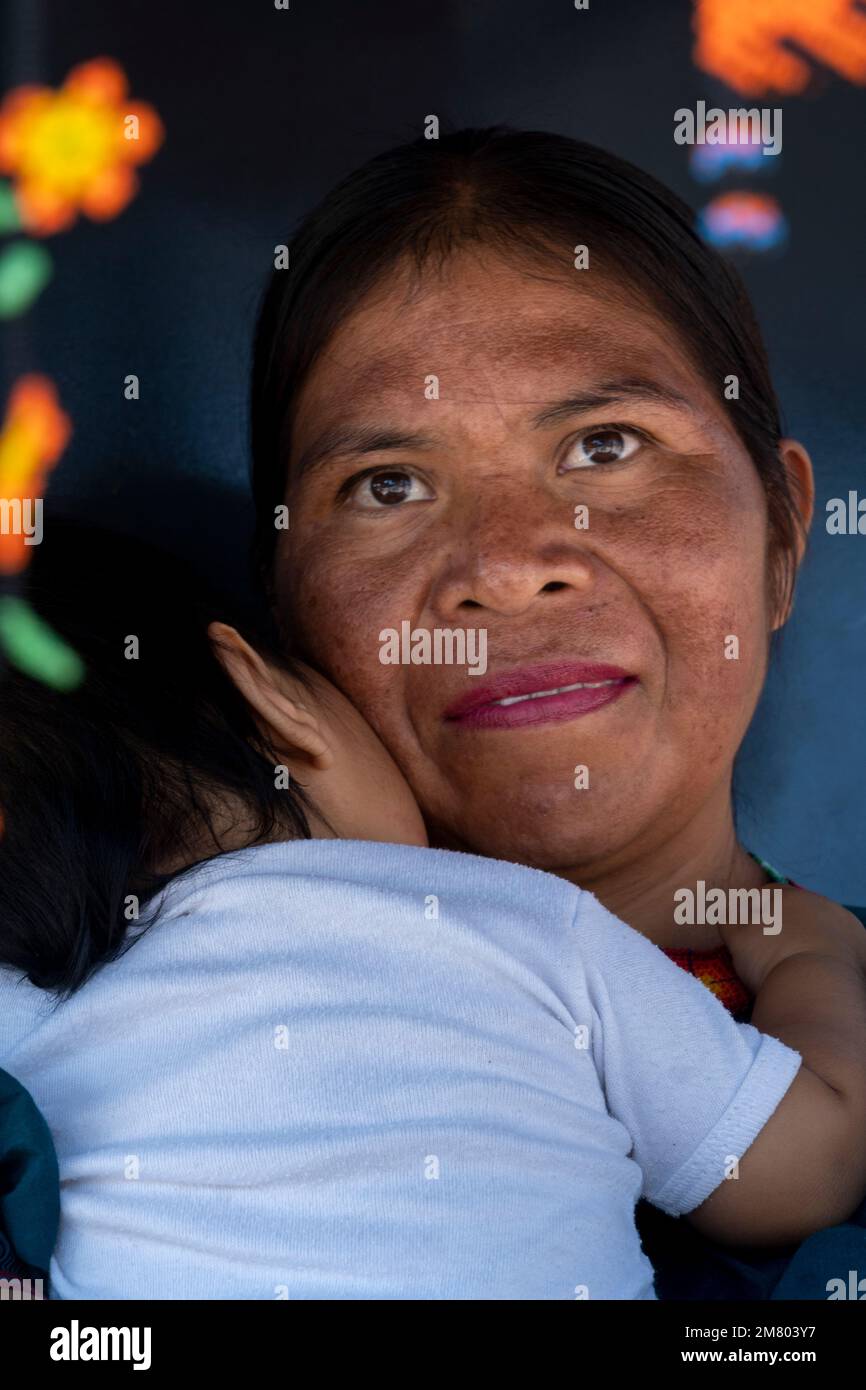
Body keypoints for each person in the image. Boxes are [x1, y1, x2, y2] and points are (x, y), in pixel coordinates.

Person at [1, 521, 864, 1300]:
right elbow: (804, 1169)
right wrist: (807, 959)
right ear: (268, 694)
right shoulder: (526, 921)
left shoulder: (30, 1017)